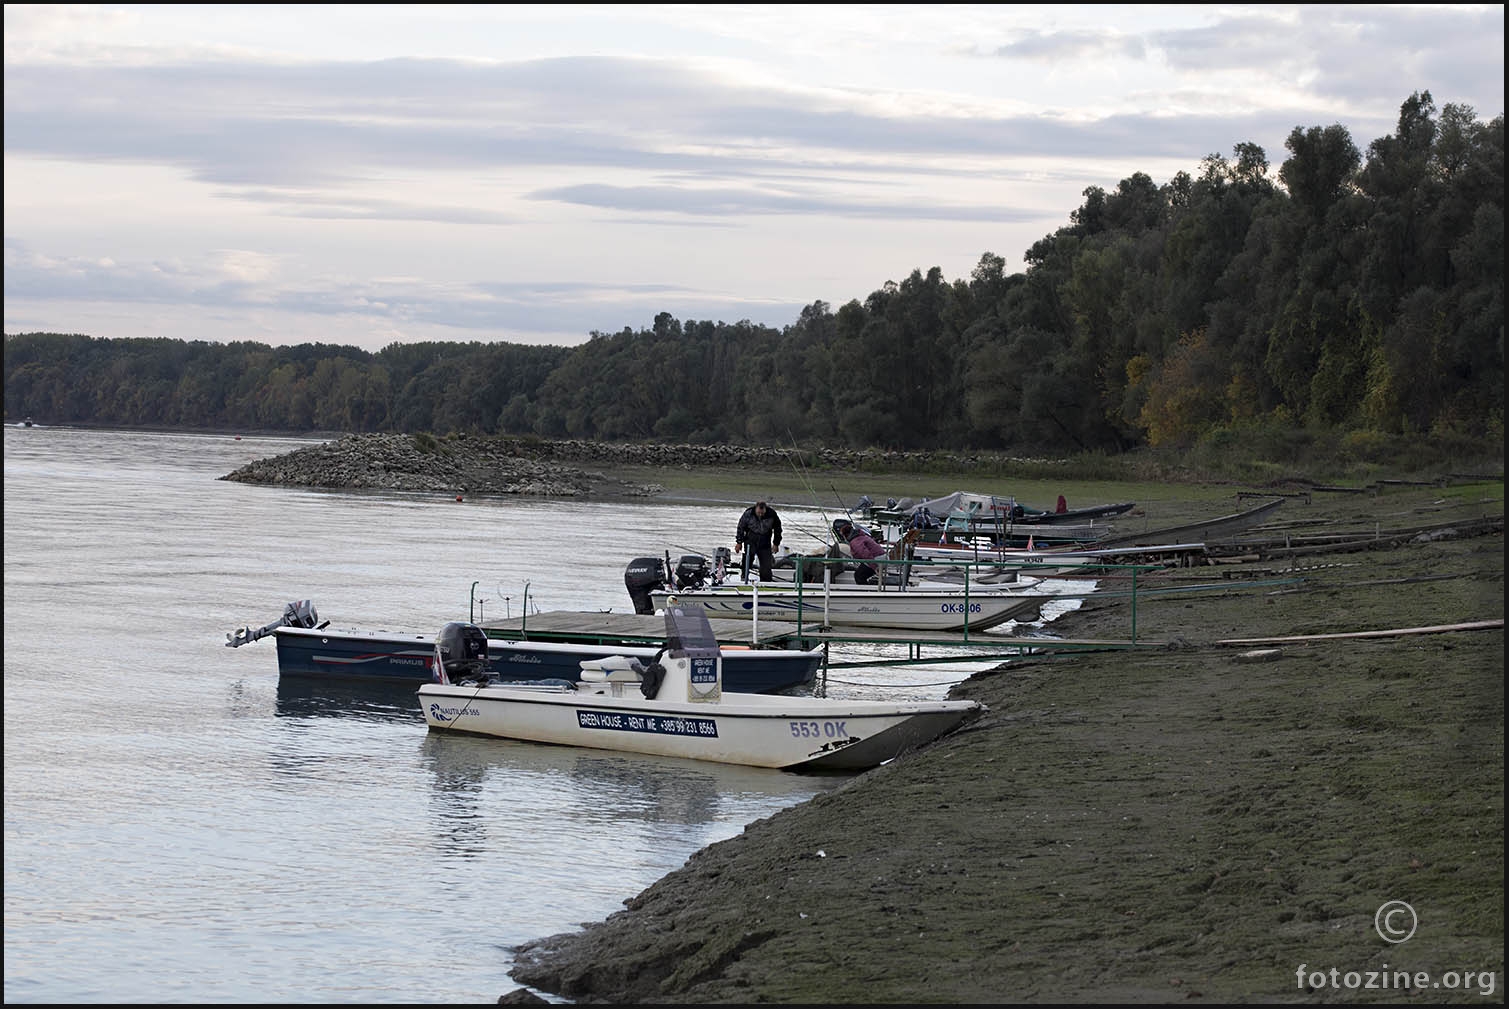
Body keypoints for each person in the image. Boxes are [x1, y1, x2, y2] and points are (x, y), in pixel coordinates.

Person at [734, 500, 782, 581]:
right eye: (759, 513)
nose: (760, 515)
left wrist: (776, 544)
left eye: (762, 513)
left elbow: (778, 530)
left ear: (765, 510)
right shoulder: (748, 513)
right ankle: (744, 578)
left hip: (765, 542)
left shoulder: (772, 514)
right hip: (750, 541)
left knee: (766, 566)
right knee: (747, 562)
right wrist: (739, 542)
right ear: (756, 508)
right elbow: (741, 528)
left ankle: (766, 582)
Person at [834, 518, 887, 585]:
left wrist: (875, 567)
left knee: (859, 575)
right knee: (861, 572)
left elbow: (866, 554)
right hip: (881, 557)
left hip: (878, 559)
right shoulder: (860, 536)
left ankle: (865, 592)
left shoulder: (855, 541)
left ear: (845, 535)